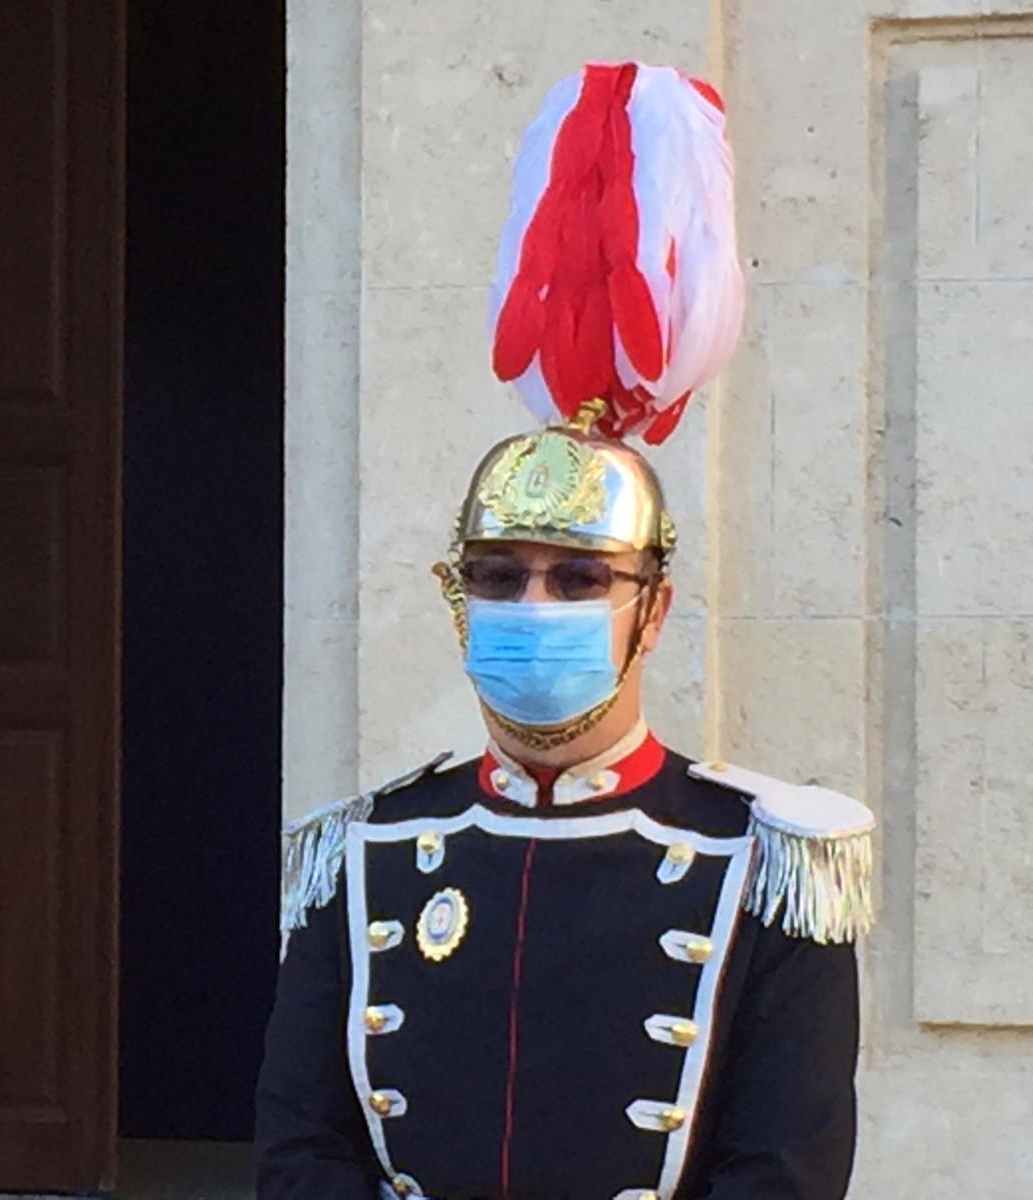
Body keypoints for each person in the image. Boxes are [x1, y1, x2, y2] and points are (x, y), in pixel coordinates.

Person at [255, 61, 874, 1200]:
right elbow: (301, 1156)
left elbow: (779, 1174)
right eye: (499, 574)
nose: (531, 605)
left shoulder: (772, 870)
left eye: (576, 577)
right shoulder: (360, 856)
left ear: (653, 607)